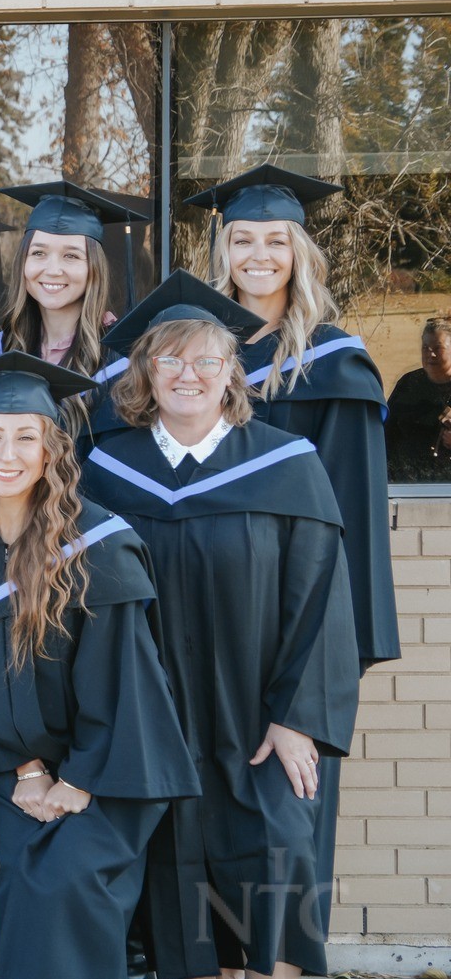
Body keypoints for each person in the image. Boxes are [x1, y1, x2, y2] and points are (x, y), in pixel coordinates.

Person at [83, 272, 358, 979]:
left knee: (280, 855)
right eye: (169, 360)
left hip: (259, 715)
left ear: (232, 371)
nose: (188, 374)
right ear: (144, 372)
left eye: (206, 359)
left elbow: (320, 598)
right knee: (173, 859)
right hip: (154, 712)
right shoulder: (107, 468)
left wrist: (298, 716)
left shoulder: (285, 462)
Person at [0, 353, 199, 979]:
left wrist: (76, 777)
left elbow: (125, 680)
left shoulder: (97, 544)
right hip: (13, 766)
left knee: (71, 877)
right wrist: (24, 769)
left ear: (53, 450)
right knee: (21, 878)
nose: (8, 454)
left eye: (28, 437)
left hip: (112, 768)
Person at [190, 166, 397, 671]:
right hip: (198, 593)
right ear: (224, 252)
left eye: (276, 242)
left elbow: (353, 505)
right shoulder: (192, 355)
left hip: (292, 594)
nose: (258, 256)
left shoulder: (333, 363)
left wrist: (342, 631)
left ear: (298, 254)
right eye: (242, 240)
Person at [0, 181, 147, 429]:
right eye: (39, 253)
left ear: (94, 268)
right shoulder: (2, 348)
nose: (53, 270)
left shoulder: (121, 359)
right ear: (23, 263)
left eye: (71, 256)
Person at [387, 315, 451, 480]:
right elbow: (387, 433)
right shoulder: (409, 383)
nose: (431, 354)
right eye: (425, 348)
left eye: (438, 348)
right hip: (405, 483)